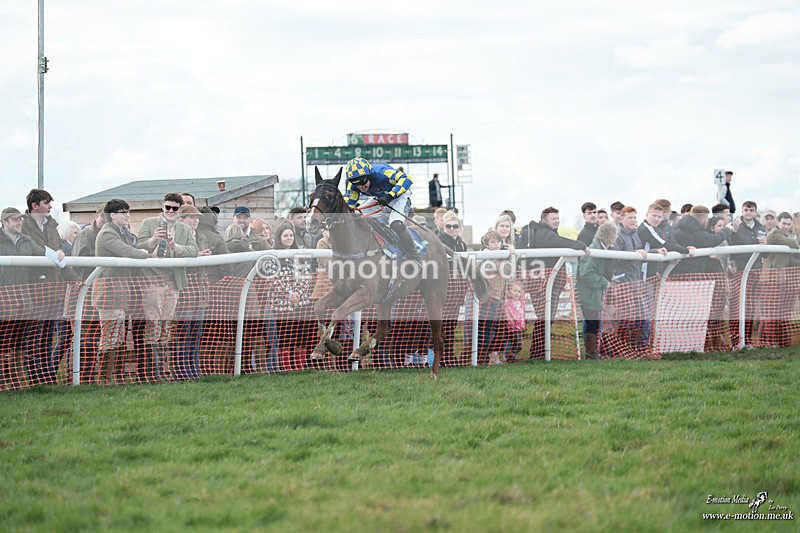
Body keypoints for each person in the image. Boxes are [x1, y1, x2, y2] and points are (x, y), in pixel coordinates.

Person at [135, 192, 199, 381]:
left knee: (166, 327)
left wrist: (175, 246)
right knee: (153, 325)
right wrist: (154, 240)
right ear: (162, 207)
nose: (170, 211)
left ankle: (163, 371)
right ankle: (149, 373)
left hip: (173, 282)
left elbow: (193, 250)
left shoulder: (185, 229)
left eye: (174, 208)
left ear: (180, 210)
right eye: (167, 207)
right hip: (152, 281)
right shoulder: (149, 223)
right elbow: (138, 245)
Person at [21, 189, 80, 385]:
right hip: (33, 288)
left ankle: (46, 377)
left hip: (53, 288)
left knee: (47, 336)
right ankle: (35, 378)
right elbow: (34, 250)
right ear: (34, 205)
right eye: (46, 203)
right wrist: (54, 253)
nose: (50, 206)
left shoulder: (51, 226)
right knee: (34, 336)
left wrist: (73, 277)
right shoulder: (23, 225)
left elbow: (58, 254)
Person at [92, 199, 153, 384]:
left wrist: (148, 246)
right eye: (123, 212)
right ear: (112, 215)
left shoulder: (122, 233)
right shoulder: (108, 234)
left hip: (120, 292)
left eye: (128, 211)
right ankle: (105, 379)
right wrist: (147, 254)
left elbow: (132, 249)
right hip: (109, 293)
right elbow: (129, 252)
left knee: (117, 337)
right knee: (110, 337)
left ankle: (114, 378)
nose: (127, 215)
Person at [516, 207, 588, 359]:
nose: (557, 221)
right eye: (553, 218)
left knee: (545, 317)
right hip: (543, 282)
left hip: (545, 281)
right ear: (544, 220)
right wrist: (581, 245)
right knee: (545, 317)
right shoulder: (543, 234)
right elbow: (561, 242)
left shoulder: (541, 232)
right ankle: (538, 352)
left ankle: (539, 352)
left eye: (558, 218)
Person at [0, 207, 46, 388]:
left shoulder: (27, 240)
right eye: (14, 219)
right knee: (3, 341)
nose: (19, 222)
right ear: (4, 222)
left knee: (19, 341)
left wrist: (57, 254)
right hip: (3, 300)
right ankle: (3, 381)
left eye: (20, 219)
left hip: (22, 301)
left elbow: (42, 253)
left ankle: (16, 380)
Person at [344, 157, 420, 262]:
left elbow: (407, 179)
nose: (360, 186)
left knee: (396, 224)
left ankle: (415, 256)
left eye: (362, 180)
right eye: (355, 182)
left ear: (370, 175)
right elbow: (349, 205)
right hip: (380, 199)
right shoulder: (353, 186)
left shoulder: (381, 173)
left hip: (400, 196)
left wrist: (390, 196)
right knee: (356, 217)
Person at [172, 205, 211, 379]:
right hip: (185, 286)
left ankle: (193, 367)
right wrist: (195, 257)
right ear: (182, 219)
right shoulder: (176, 235)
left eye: (197, 218)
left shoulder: (201, 236)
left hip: (200, 287)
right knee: (183, 329)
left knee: (197, 330)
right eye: (191, 217)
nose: (195, 221)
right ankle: (180, 369)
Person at [576, 222, 618, 359]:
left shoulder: (602, 249)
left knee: (594, 322)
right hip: (589, 294)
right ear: (610, 236)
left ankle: (593, 353)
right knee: (592, 323)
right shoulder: (594, 250)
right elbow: (586, 274)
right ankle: (590, 355)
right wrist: (604, 282)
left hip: (594, 293)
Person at [759, 212, 800, 347]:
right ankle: (767, 341)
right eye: (784, 223)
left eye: (789, 224)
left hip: (782, 277)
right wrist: (794, 241)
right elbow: (794, 244)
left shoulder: (785, 235)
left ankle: (781, 340)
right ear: (778, 222)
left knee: (782, 311)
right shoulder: (774, 234)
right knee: (771, 311)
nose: (786, 227)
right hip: (772, 277)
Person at [729, 200, 766, 347]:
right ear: (742, 211)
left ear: (755, 212)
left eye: (751, 210)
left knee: (751, 307)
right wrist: (733, 231)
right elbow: (730, 247)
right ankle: (736, 340)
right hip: (740, 271)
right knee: (738, 306)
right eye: (746, 210)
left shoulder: (761, 227)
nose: (748, 212)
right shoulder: (737, 227)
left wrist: (764, 245)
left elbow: (766, 254)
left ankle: (748, 340)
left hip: (756, 270)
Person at [478, 230, 516, 365]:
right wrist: (512, 254)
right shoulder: (486, 258)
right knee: (486, 329)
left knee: (493, 328)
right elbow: (507, 270)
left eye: (498, 241)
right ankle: (482, 357)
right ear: (487, 244)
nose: (496, 244)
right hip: (488, 298)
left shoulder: (499, 258)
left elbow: (510, 274)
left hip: (497, 298)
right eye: (492, 242)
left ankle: (489, 356)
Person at [502, 281, 526, 363]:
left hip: (518, 328)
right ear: (508, 292)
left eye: (519, 292)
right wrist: (510, 320)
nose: (517, 293)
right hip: (510, 327)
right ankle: (508, 358)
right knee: (509, 343)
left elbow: (521, 315)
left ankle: (510, 357)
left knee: (518, 345)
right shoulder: (507, 302)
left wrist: (523, 324)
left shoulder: (521, 303)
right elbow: (507, 313)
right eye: (514, 291)